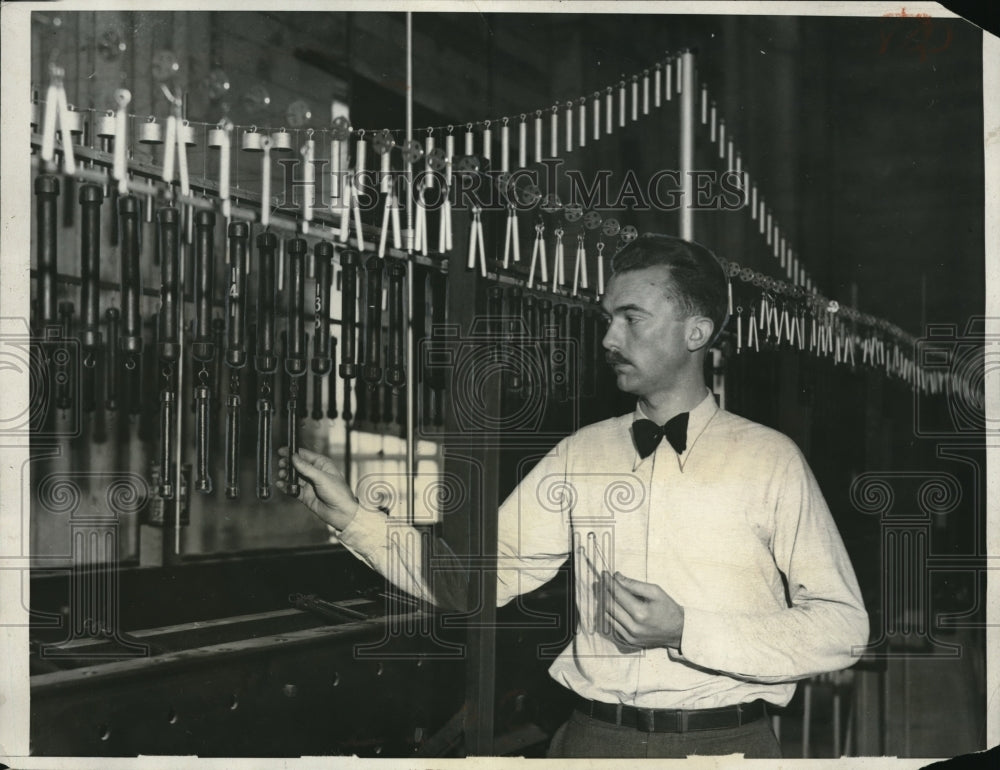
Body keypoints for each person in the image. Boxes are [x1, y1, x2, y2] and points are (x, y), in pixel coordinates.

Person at [277, 233, 869, 759]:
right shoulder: (580, 454)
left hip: (724, 747)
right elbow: (473, 583)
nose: (609, 337)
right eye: (607, 318)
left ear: (698, 332)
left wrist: (686, 629)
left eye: (632, 318)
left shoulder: (770, 460)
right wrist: (353, 517)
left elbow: (841, 628)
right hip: (591, 744)